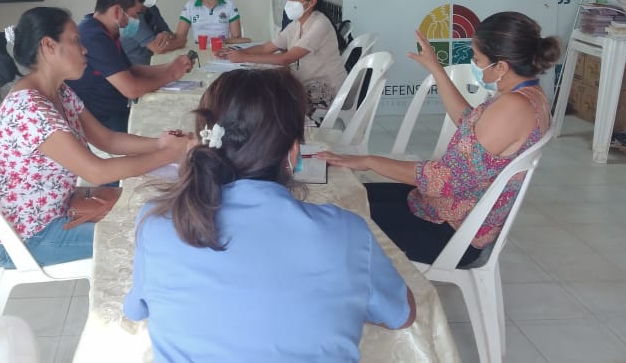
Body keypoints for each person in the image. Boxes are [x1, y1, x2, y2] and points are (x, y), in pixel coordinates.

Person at [124, 69, 415, 362]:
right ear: (293, 152)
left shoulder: (158, 222)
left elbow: (137, 310)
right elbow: (401, 315)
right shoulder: (347, 232)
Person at [319, 12, 559, 267]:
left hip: (450, 235)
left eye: (478, 59)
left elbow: (440, 179)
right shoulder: (529, 95)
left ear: (501, 67)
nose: (474, 65)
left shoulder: (513, 107)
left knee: (337, 216)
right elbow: (468, 122)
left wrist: (368, 161)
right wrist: (436, 69)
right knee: (345, 196)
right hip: (441, 210)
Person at [0, 7, 192, 268]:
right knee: (146, 235)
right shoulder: (30, 109)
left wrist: (161, 143)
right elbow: (97, 171)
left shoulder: (59, 91)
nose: (84, 50)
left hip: (53, 210)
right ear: (48, 46)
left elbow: (107, 139)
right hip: (24, 236)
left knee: (152, 205)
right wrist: (170, 153)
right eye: (75, 41)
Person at [68, 0, 194, 133]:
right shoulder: (94, 37)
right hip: (100, 120)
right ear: (117, 11)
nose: (137, 20)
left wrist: (171, 66)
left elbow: (130, 70)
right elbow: (132, 89)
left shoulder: (103, 30)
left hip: (114, 110)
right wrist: (171, 74)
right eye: (135, 15)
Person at [217, 0, 346, 117]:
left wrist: (244, 57)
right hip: (306, 83)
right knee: (266, 93)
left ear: (312, 2)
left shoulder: (320, 24)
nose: (290, 2)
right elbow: (266, 48)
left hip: (327, 89)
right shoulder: (296, 24)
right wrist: (238, 52)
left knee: (275, 103)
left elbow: (286, 59)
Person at [121, 0, 185, 65]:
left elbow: (170, 34)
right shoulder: (129, 14)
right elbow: (157, 48)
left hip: (153, 65)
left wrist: (166, 35)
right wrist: (181, 42)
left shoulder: (152, 8)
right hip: (131, 70)